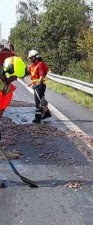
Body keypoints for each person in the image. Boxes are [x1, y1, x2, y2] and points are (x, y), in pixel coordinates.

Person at [0, 56, 27, 188]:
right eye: (15, 76)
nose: (16, 79)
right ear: (8, 71)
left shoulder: (8, 90)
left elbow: (1, 110)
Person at [27, 50, 51, 123]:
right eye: (30, 58)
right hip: (36, 85)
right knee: (40, 99)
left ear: (36, 57)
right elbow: (27, 72)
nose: (31, 59)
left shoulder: (40, 64)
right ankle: (46, 112)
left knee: (38, 102)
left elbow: (41, 76)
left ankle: (37, 118)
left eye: (32, 58)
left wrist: (37, 84)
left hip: (40, 85)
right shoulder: (32, 66)